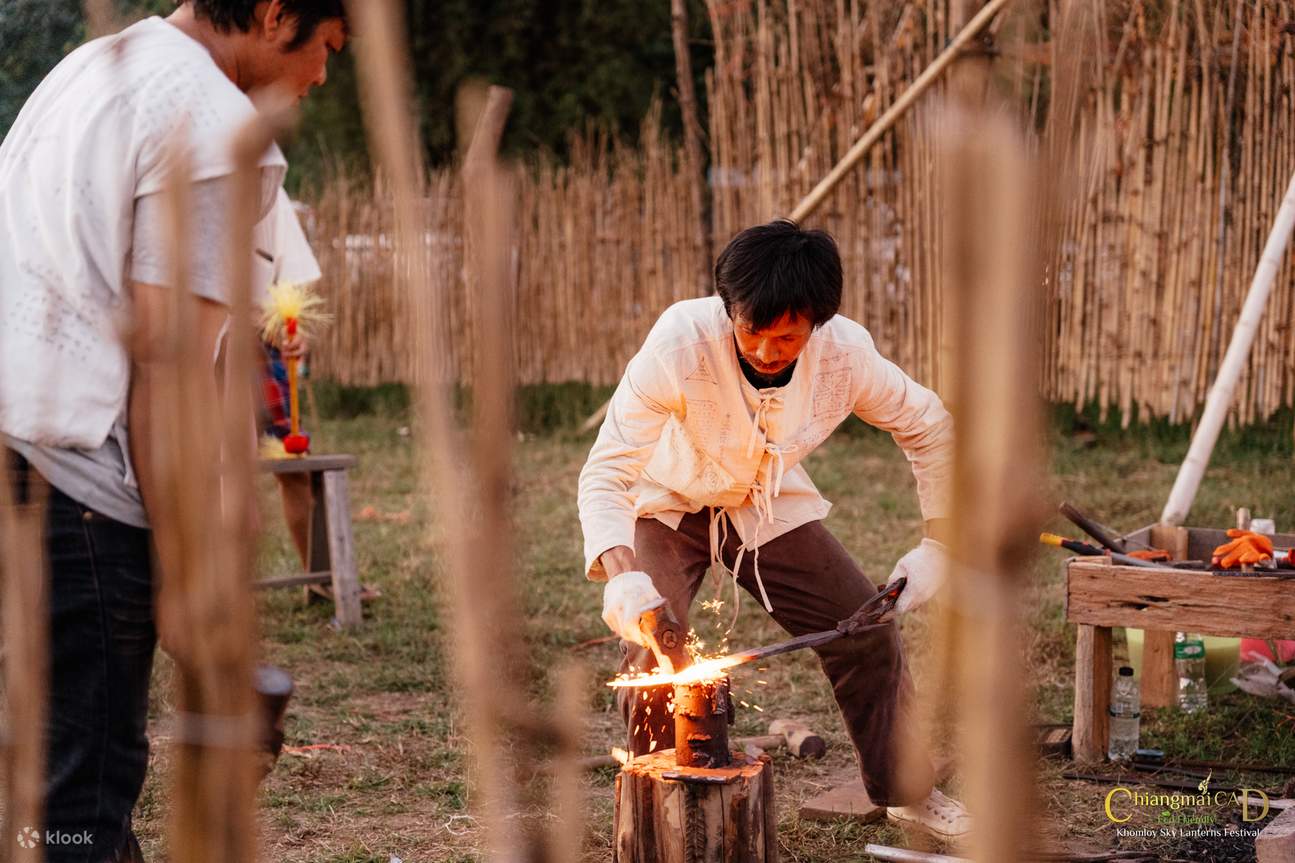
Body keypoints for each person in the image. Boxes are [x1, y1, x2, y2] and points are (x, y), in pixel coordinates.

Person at [0, 2, 347, 860]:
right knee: (74, 804)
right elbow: (170, 371)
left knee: (38, 790)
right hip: (75, 490)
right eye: (325, 49)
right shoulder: (210, 124)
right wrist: (191, 582)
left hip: (13, 446)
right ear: (275, 16)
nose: (322, 77)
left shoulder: (92, 70)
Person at [578, 220, 972, 840]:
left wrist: (941, 543)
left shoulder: (847, 355)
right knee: (655, 642)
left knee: (866, 626)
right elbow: (607, 469)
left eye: (786, 336)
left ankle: (905, 791)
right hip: (667, 500)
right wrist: (623, 578)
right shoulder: (678, 344)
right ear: (727, 308)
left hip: (763, 502)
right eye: (751, 331)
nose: (766, 350)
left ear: (817, 323)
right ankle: (659, 798)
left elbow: (929, 425)